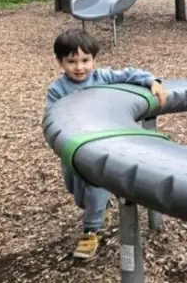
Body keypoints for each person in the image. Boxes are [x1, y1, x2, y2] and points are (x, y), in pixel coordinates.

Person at [44, 28, 168, 260]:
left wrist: (153, 81)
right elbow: (52, 117)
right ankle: (98, 209)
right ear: (60, 62)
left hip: (102, 147)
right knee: (76, 192)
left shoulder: (101, 77)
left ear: (94, 59)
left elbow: (130, 74)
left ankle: (91, 231)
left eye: (85, 60)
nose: (79, 67)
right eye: (71, 61)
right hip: (74, 149)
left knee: (94, 190)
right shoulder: (57, 90)